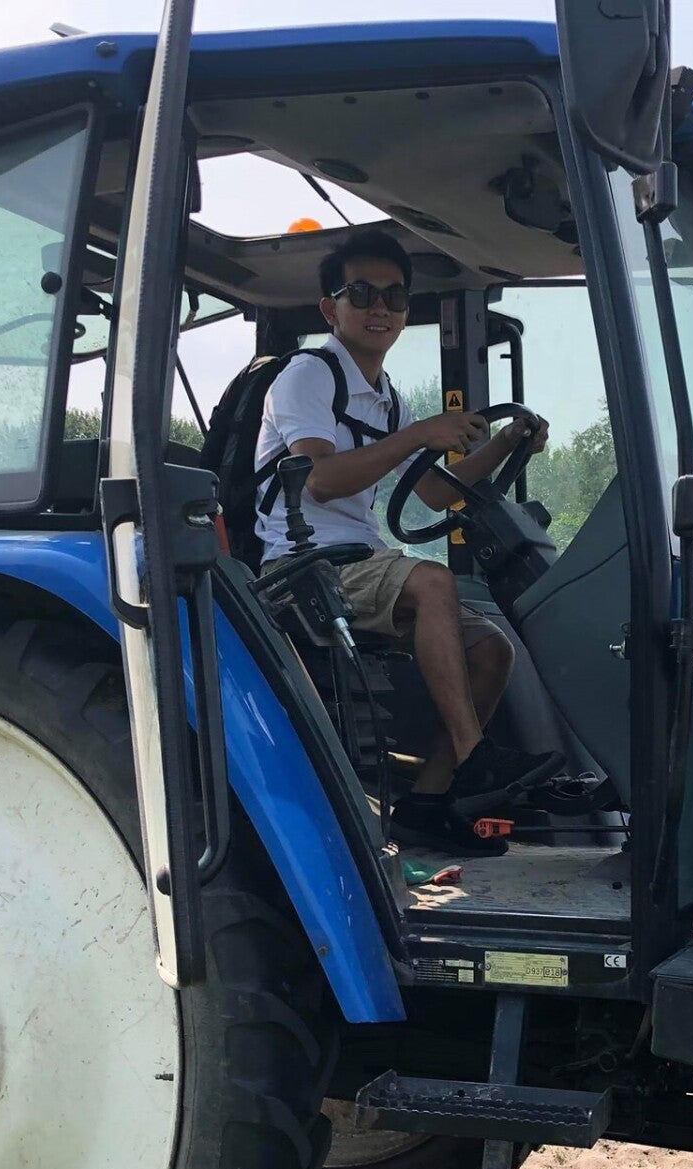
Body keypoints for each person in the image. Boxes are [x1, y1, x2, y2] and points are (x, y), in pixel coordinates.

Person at [255, 231, 560, 856]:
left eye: (394, 297)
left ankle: (426, 802)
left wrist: (507, 443)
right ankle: (475, 757)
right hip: (301, 563)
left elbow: (437, 494)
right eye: (362, 293)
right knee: (432, 581)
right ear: (330, 308)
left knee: (492, 651)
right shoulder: (307, 375)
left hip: (357, 560)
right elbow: (321, 479)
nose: (381, 308)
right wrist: (421, 432)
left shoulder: (386, 398)